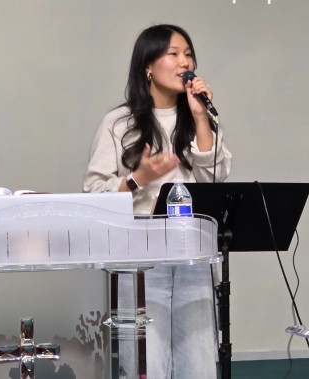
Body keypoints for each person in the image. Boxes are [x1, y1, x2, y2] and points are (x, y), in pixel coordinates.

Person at [83, 23, 232, 378]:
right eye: (173, 54)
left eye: (189, 55)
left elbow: (215, 179)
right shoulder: (119, 122)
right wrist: (138, 178)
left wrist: (200, 117)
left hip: (193, 255)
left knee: (198, 365)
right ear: (148, 66)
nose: (185, 63)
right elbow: (93, 192)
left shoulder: (200, 118)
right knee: (147, 363)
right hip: (140, 259)